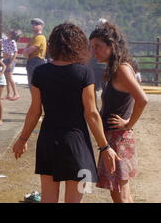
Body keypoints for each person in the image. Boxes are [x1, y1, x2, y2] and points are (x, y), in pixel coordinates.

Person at [13, 22, 121, 203]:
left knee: (48, 199)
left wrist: (23, 138)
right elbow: (91, 113)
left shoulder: (40, 72)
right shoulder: (84, 73)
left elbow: (35, 111)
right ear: (78, 45)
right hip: (76, 142)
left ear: (53, 44)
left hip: (48, 140)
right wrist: (105, 147)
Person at [90, 22, 148, 203]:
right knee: (119, 191)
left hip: (118, 138)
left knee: (119, 192)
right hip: (114, 137)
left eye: (98, 46)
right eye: (92, 47)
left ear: (111, 45)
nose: (94, 51)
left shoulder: (122, 69)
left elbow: (142, 99)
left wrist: (128, 123)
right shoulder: (115, 68)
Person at [23, 18, 47, 86]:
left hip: (36, 62)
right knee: (32, 84)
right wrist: (26, 52)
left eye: (36, 24)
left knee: (34, 84)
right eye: (33, 24)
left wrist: (26, 52)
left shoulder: (40, 37)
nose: (34, 25)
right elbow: (26, 51)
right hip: (32, 61)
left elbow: (29, 50)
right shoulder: (34, 37)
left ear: (41, 26)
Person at [2, 29, 21, 100]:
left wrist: (11, 62)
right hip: (6, 59)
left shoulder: (13, 42)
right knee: (7, 77)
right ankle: (9, 94)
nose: (7, 32)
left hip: (9, 60)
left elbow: (16, 52)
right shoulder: (5, 40)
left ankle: (16, 93)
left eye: (9, 32)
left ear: (11, 35)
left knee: (9, 76)